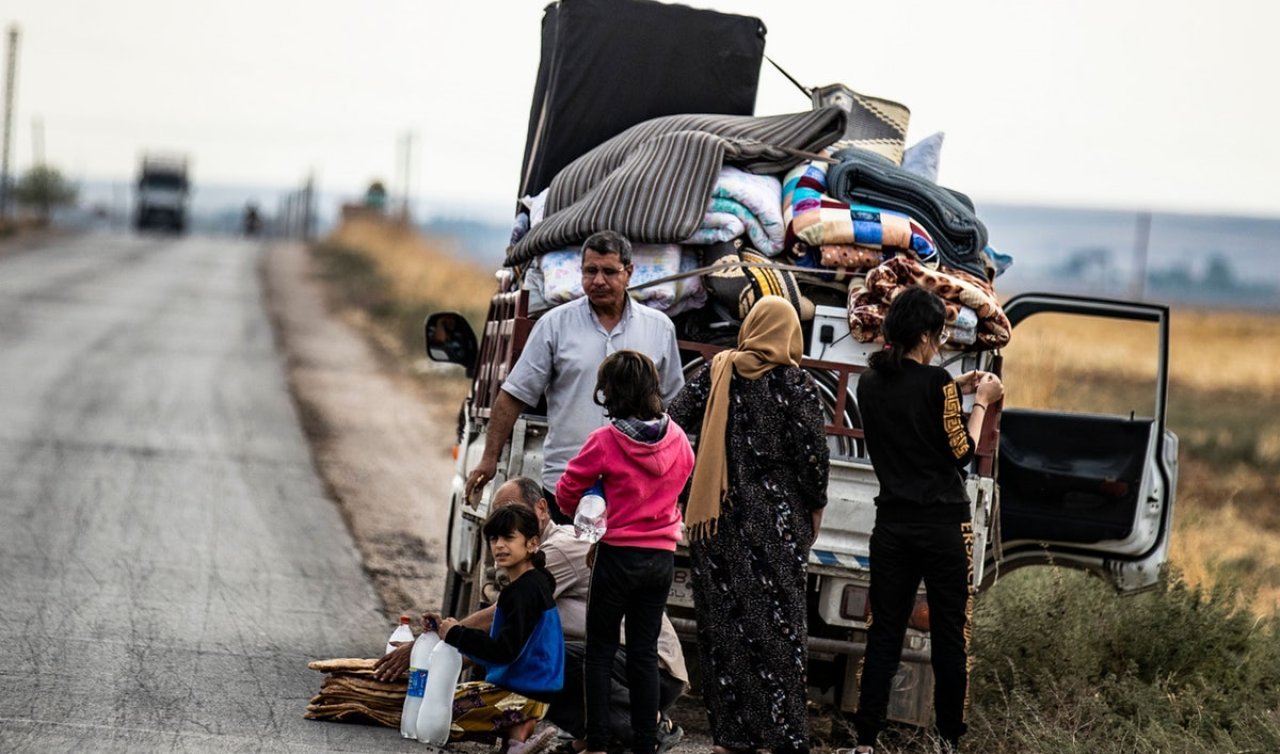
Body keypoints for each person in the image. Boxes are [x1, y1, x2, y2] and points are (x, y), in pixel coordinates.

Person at [373, 477, 689, 751]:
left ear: (541, 510)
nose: (503, 530)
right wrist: (438, 661)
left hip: (650, 671)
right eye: (497, 526)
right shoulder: (532, 562)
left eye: (513, 514)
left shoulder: (556, 552)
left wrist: (431, 649)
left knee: (544, 662)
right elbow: (504, 631)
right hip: (621, 666)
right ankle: (598, 739)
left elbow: (498, 622)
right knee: (535, 661)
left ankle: (645, 728)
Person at [667, 295, 830, 754]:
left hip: (715, 522)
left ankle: (731, 736)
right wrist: (815, 505)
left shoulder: (718, 371)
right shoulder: (796, 385)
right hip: (776, 525)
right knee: (780, 631)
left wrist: (691, 481)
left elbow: (673, 423)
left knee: (723, 630)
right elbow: (812, 457)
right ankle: (781, 736)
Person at [848, 285, 1004, 754]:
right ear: (924, 335)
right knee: (950, 637)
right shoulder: (936, 383)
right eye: (939, 335)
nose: (940, 343)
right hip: (943, 527)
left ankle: (866, 740)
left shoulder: (868, 383)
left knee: (883, 634)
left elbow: (911, 404)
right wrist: (981, 401)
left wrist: (955, 390)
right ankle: (948, 740)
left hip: (892, 526)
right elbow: (961, 452)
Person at [464, 230, 684, 515]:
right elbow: (514, 394)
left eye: (609, 271)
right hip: (566, 485)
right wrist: (489, 458)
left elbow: (673, 406)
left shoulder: (659, 328)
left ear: (629, 273)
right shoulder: (555, 324)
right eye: (590, 271)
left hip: (634, 489)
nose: (598, 280)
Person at [556, 351, 695, 754]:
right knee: (643, 653)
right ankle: (646, 745)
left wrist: (593, 505)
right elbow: (684, 476)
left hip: (617, 557)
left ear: (610, 391)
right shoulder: (679, 439)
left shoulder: (604, 442)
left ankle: (598, 744)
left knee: (600, 652)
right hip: (661, 559)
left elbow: (566, 492)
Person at [426, 504, 565, 754]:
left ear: (532, 543)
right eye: (493, 538)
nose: (499, 545)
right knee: (442, 700)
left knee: (436, 714)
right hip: (530, 692)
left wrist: (456, 634)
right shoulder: (532, 583)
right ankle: (516, 741)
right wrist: (445, 631)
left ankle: (520, 724)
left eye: (508, 537)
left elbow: (503, 651)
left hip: (522, 694)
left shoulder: (524, 592)